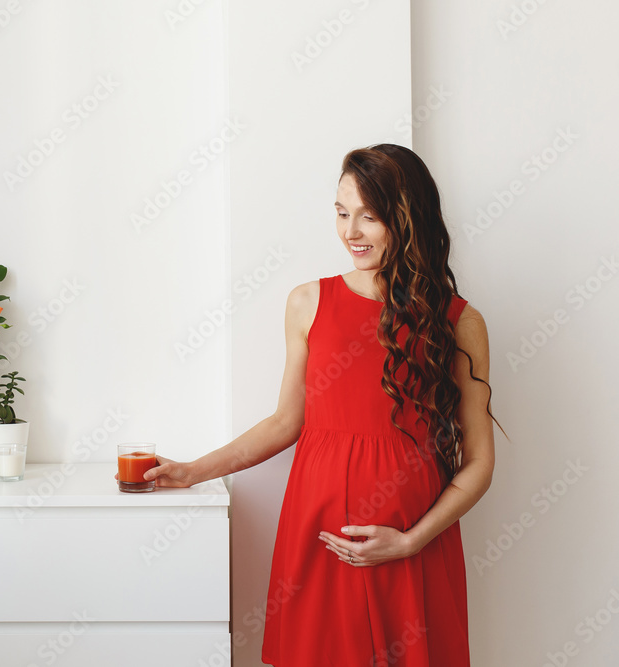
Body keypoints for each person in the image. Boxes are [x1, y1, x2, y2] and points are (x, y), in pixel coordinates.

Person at [143, 144, 501, 666]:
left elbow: (481, 462)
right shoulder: (308, 301)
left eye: (369, 216)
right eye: (341, 212)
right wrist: (193, 471)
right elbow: (287, 421)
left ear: (409, 217)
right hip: (320, 535)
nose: (350, 231)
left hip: (414, 544)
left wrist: (409, 542)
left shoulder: (460, 322)